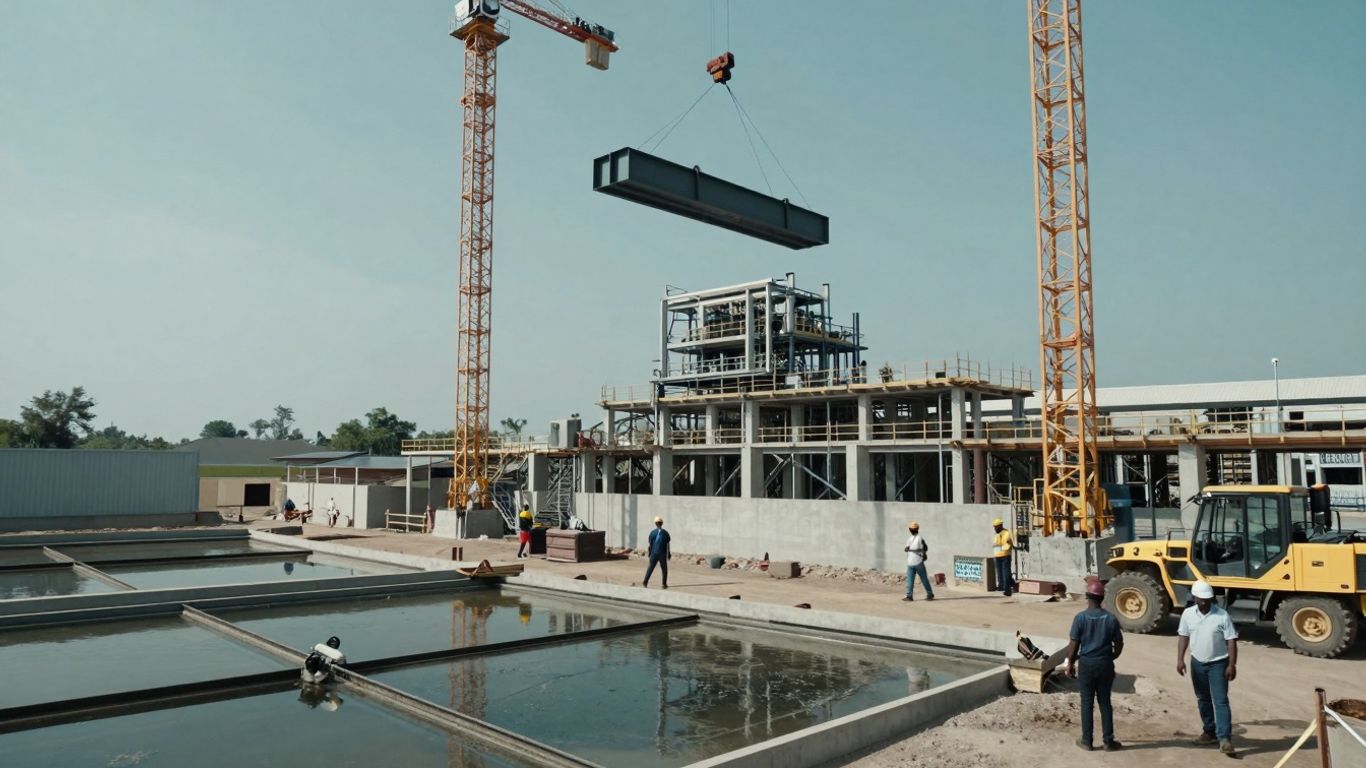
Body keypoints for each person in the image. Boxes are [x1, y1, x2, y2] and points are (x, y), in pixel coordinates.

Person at [1178, 580, 1239, 756]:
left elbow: (1231, 641)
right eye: (1201, 599)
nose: (1204, 602)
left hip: (1219, 664)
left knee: (1220, 700)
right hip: (1197, 662)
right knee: (1203, 699)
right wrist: (1180, 660)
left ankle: (1225, 739)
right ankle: (1209, 732)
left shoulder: (1222, 615)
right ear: (1195, 597)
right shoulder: (1188, 614)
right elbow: (1183, 637)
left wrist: (1232, 664)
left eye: (1208, 599)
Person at [1065, 580, 1124, 752]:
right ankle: (1108, 741)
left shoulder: (1080, 618)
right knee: (1105, 702)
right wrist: (1112, 656)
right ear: (1102, 598)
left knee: (1087, 703)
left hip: (1087, 664)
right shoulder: (1111, 618)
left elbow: (1074, 644)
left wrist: (1070, 663)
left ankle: (1087, 741)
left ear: (1087, 597)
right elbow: (1119, 643)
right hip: (1105, 664)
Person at [902, 522, 934, 601]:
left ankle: (930, 594)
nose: (911, 530)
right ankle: (909, 596)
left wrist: (920, 551)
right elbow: (907, 547)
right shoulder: (910, 539)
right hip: (910, 563)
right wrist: (907, 548)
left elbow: (925, 548)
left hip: (918, 562)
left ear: (914, 529)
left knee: (923, 579)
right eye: (911, 529)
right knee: (910, 580)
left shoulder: (920, 538)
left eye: (912, 529)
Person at [642, 516, 671, 589]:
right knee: (664, 569)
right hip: (662, 554)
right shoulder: (666, 533)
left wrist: (649, 553)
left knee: (650, 568)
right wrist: (669, 553)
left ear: (656, 524)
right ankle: (664, 584)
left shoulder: (652, 533)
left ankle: (645, 581)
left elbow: (650, 544)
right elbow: (668, 544)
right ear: (662, 524)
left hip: (654, 553)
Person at [991, 518, 1015, 596]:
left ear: (1001, 525)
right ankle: (1002, 586)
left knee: (1006, 573)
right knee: (1000, 573)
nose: (995, 528)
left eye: (996, 526)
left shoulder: (1006, 533)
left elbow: (1009, 543)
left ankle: (1007, 589)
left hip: (1005, 555)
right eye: (994, 527)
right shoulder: (997, 534)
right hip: (997, 556)